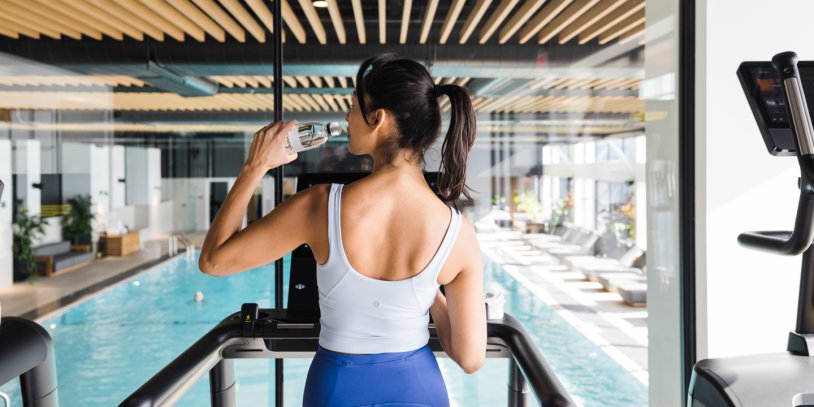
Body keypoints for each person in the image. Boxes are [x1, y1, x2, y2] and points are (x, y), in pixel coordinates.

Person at [199, 53, 486, 407]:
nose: (347, 118)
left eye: (352, 107)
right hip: (419, 389)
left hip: (336, 389)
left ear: (377, 119)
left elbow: (213, 261)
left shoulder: (320, 207)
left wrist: (255, 166)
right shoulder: (458, 234)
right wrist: (426, 290)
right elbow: (470, 358)